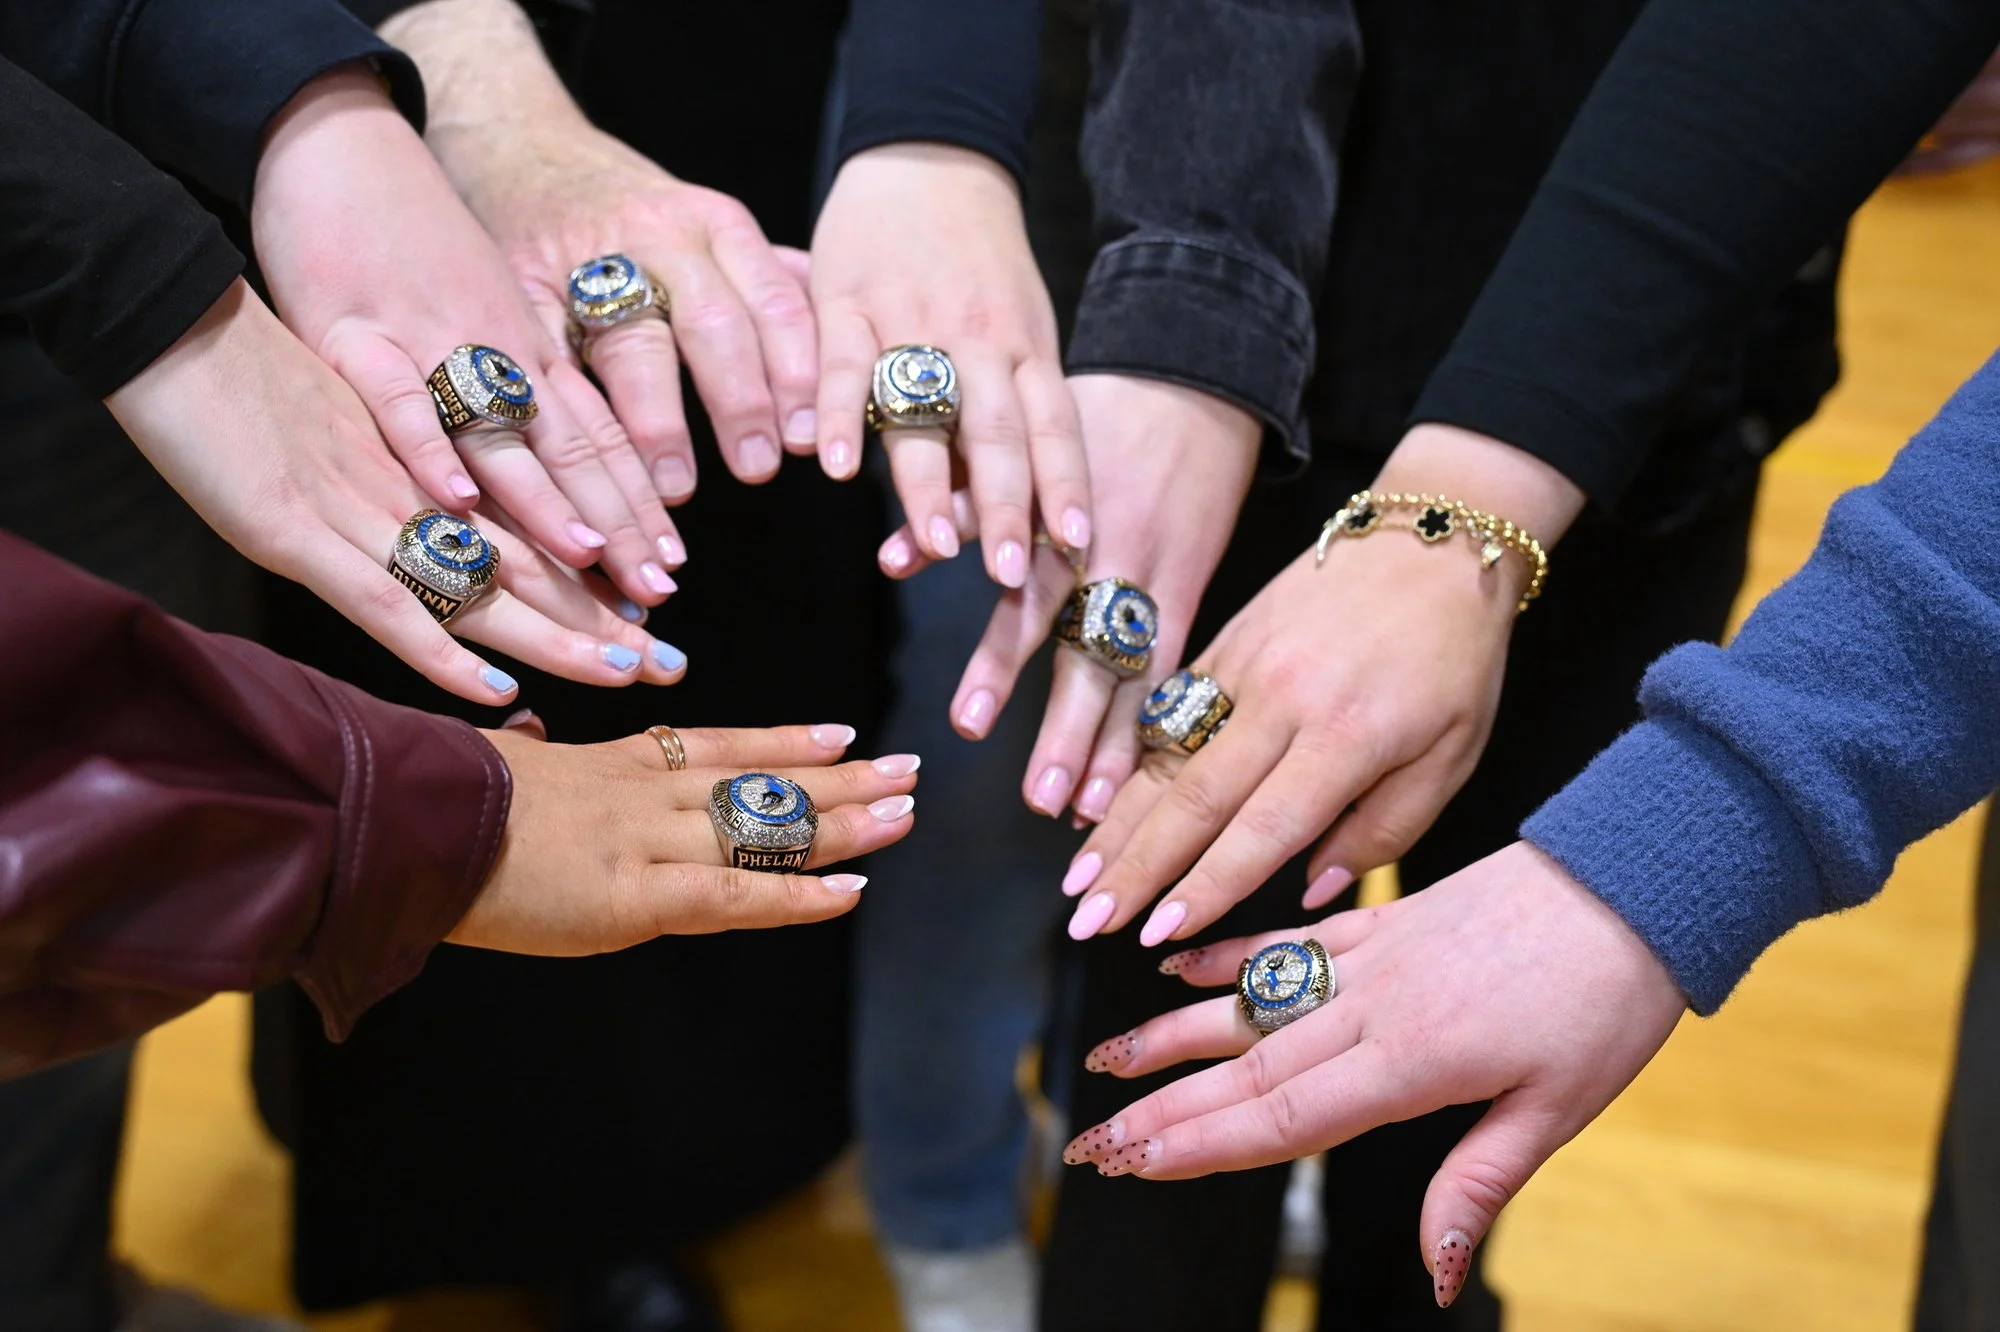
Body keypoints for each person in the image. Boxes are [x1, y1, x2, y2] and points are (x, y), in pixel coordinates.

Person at [1057, 0, 2000, 1322]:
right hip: (1293, 365)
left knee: (1461, 1035)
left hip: (1667, 382)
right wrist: (1193, 305)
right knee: (1182, 1007)